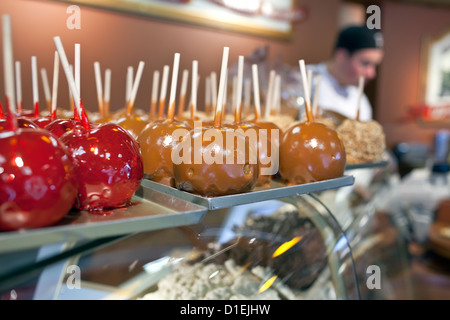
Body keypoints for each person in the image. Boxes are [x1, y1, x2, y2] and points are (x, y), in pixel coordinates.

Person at [307, 25, 384, 122]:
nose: (372, 74)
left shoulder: (361, 101)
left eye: (375, 65)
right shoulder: (304, 80)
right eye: (365, 63)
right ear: (342, 55)